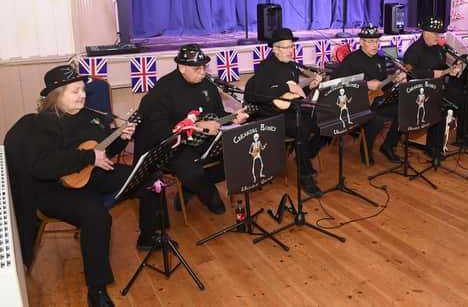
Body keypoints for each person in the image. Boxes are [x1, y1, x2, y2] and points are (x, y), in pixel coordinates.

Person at [28, 65, 159, 307]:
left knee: (146, 176)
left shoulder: (90, 116)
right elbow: (41, 166)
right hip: (58, 188)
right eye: (74, 91)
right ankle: (96, 290)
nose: (82, 95)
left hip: (94, 175)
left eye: (82, 90)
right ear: (56, 95)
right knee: (97, 217)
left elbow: (104, 151)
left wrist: (121, 139)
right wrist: (88, 158)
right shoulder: (42, 124)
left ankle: (149, 235)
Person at [134, 44, 249, 215]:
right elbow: (159, 128)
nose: (202, 72)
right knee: (192, 172)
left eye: (204, 67)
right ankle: (208, 194)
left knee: (239, 154)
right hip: (176, 144)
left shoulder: (207, 85)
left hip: (205, 139)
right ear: (182, 67)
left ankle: (190, 189)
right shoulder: (164, 88)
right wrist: (196, 127)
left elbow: (217, 114)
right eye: (197, 68)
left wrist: (233, 117)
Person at [244, 28, 324, 195]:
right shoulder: (265, 68)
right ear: (275, 49)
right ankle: (305, 177)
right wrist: (284, 87)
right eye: (286, 48)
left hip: (291, 109)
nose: (290, 51)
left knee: (324, 122)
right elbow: (255, 95)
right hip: (270, 115)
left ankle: (305, 155)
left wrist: (310, 87)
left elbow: (295, 95)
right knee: (300, 128)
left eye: (291, 47)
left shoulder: (292, 67)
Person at [332, 25, 407, 165]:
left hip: (376, 100)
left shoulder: (380, 59)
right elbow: (337, 84)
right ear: (361, 42)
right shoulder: (351, 60)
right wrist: (365, 84)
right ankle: (365, 150)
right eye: (370, 41)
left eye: (377, 41)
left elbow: (382, 86)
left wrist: (394, 80)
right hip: (355, 104)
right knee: (377, 119)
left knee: (403, 110)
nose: (375, 45)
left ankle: (388, 146)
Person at [403, 17, 463, 162]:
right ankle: (433, 147)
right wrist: (435, 73)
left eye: (439, 34)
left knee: (462, 96)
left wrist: (452, 70)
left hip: (436, 87)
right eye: (435, 33)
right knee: (439, 109)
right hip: (419, 91)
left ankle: (462, 137)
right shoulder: (414, 51)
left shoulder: (438, 48)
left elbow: (441, 67)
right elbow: (410, 73)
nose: (438, 37)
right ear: (425, 32)